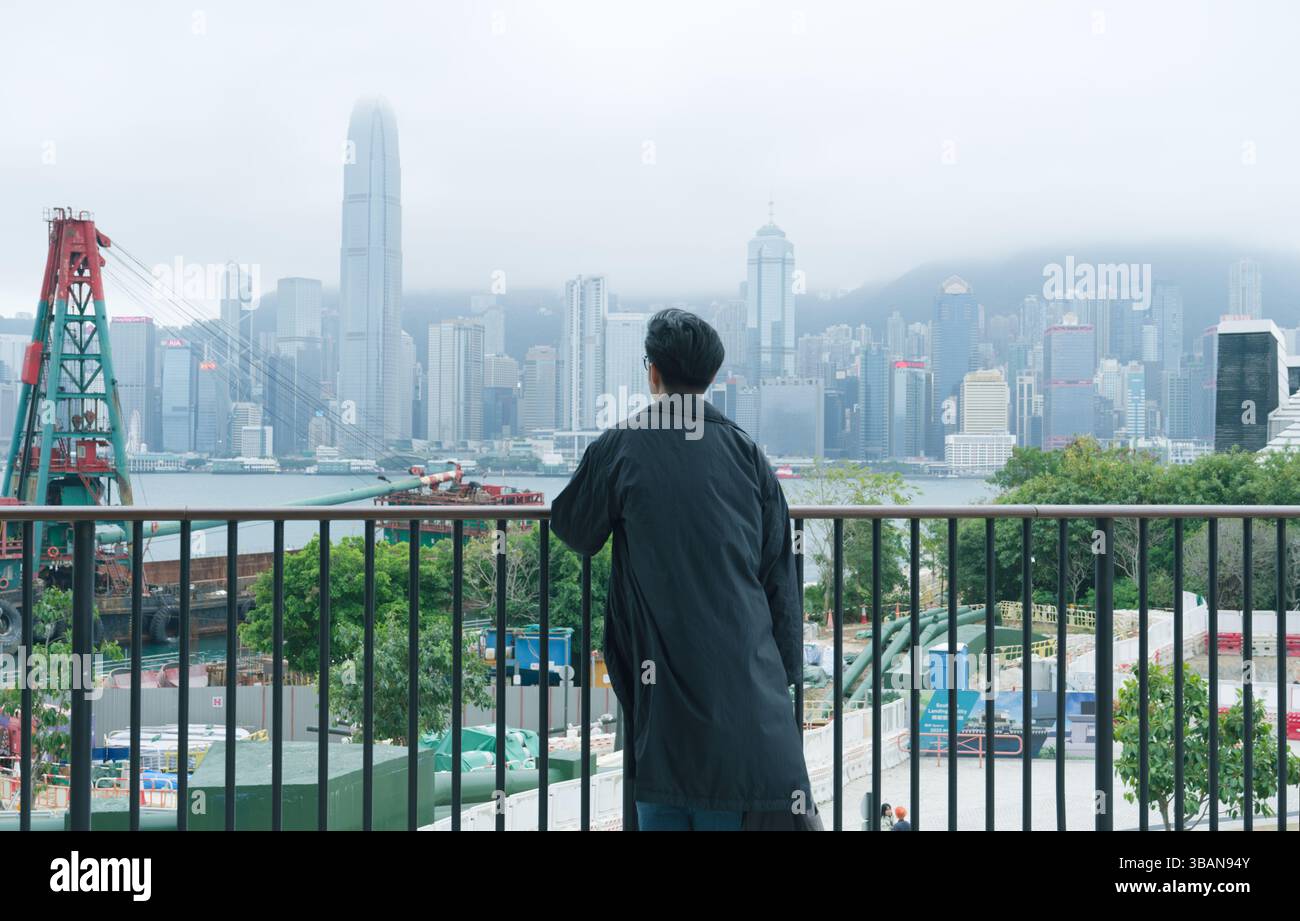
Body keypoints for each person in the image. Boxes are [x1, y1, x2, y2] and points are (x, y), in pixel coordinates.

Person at [551, 308, 811, 831]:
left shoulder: (620, 447)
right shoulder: (747, 454)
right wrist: (780, 693)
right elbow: (781, 585)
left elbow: (575, 529)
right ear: (712, 378)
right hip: (746, 717)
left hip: (661, 715)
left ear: (652, 373)